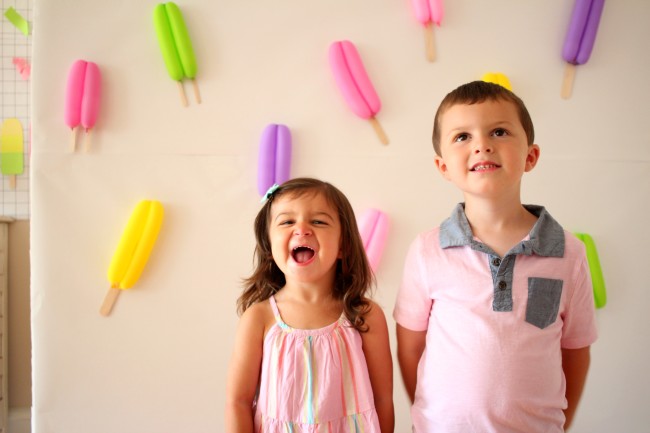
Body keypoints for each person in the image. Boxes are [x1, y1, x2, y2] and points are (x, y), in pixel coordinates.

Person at [394, 81, 598, 432]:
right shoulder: (428, 251)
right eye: (462, 137)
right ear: (443, 166)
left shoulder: (568, 252)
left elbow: (575, 351)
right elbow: (410, 348)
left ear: (530, 156)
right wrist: (431, 417)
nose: (482, 146)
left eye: (499, 131)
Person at [226, 177, 394, 433]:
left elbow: (383, 399)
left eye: (318, 221)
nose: (302, 229)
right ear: (269, 245)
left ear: (343, 246)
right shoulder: (259, 318)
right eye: (287, 221)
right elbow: (237, 401)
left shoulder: (365, 315)